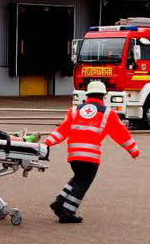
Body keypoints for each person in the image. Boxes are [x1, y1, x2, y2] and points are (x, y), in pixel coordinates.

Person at [43, 81, 139, 224]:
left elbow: (62, 130)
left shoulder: (74, 111)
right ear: (103, 96)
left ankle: (59, 202)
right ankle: (67, 212)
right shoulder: (108, 113)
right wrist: (133, 150)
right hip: (90, 156)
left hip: (74, 155)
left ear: (87, 96)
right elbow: (121, 134)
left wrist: (47, 143)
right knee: (83, 183)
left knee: (78, 178)